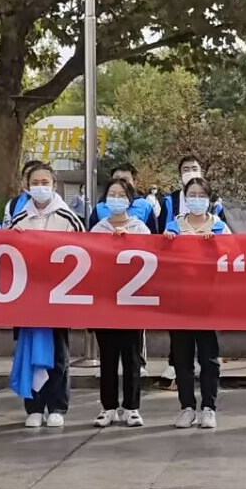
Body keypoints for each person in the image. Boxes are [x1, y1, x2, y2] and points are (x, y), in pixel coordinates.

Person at [7, 162, 85, 428]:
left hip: (58, 296)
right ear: (26, 186)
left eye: (45, 182)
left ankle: (57, 406)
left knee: (58, 353)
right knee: (28, 349)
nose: (40, 187)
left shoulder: (68, 218)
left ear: (54, 185)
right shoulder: (19, 219)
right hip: (28, 296)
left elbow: (85, 250)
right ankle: (34, 406)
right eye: (35, 183)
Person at [87, 178, 151, 429]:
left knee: (132, 358)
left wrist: (129, 241)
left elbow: (151, 257)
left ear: (130, 200)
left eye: (121, 195)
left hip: (133, 304)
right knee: (108, 358)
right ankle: (108, 407)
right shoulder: (98, 229)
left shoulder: (140, 228)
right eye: (111, 194)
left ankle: (132, 407)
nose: (116, 199)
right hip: (106, 302)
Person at [168, 177, 228, 429]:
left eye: (202, 195)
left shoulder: (219, 226)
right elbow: (162, 258)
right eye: (192, 194)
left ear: (209, 199)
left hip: (208, 302)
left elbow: (233, 256)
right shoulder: (174, 225)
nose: (197, 199)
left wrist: (216, 245)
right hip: (179, 303)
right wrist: (168, 241)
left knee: (209, 358)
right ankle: (187, 407)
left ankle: (209, 407)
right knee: (182, 359)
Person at [158, 155, 228, 233]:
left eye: (194, 169)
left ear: (201, 173)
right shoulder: (169, 202)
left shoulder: (214, 203)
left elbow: (224, 235)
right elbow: (161, 232)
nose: (190, 173)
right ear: (180, 174)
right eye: (186, 170)